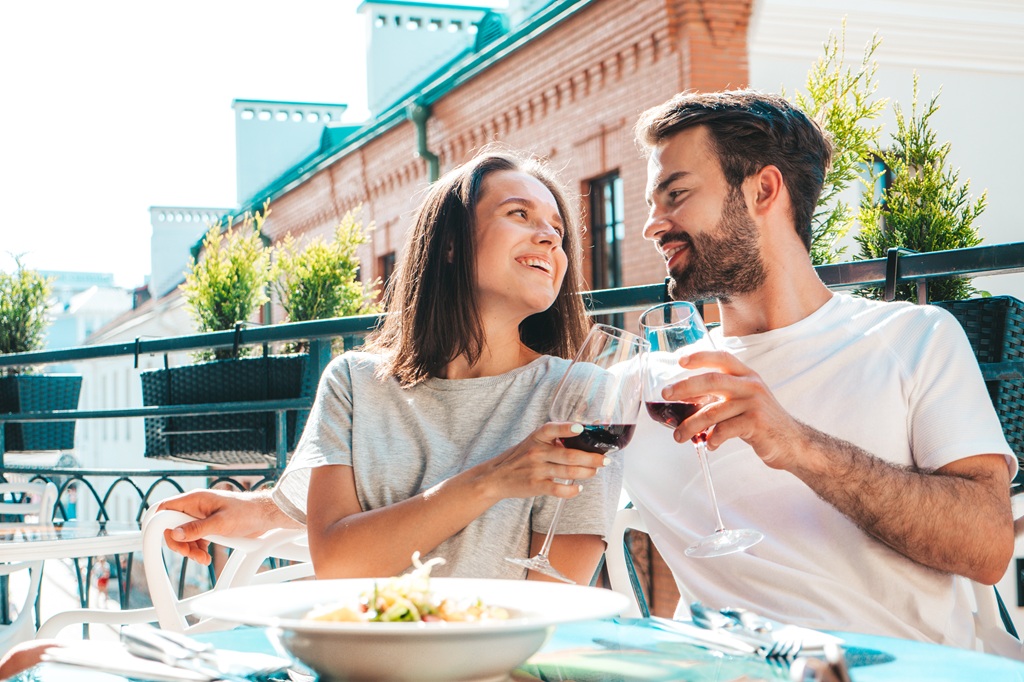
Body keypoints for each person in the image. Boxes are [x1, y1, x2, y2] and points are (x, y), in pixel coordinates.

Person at [623, 89, 1015, 649]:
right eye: (652, 203)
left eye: (676, 194)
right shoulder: (651, 385)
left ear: (764, 189)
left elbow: (987, 547)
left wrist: (797, 444)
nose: (652, 225)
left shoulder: (913, 337)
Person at [160, 148, 622, 585]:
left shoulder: (581, 399)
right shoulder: (354, 382)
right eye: (519, 214)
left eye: (558, 232)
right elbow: (338, 562)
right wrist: (490, 480)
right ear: (450, 245)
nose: (548, 238)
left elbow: (553, 602)